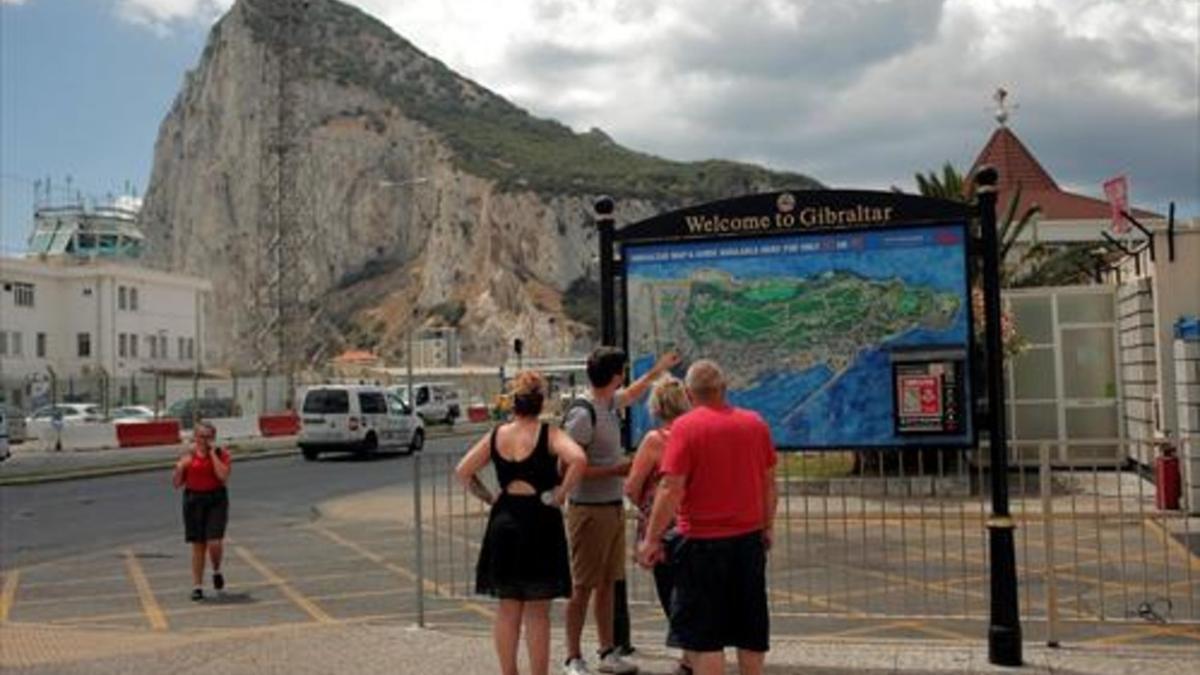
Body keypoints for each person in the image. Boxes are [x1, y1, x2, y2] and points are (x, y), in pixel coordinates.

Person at [637, 360, 778, 675]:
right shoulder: (755, 424)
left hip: (700, 542)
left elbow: (671, 488)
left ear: (688, 394)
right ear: (724, 389)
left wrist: (652, 538)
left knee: (705, 638)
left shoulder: (686, 428)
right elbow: (769, 483)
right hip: (748, 540)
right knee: (750, 629)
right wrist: (767, 526)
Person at [457, 371, 588, 675]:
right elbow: (579, 459)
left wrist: (490, 498)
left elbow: (463, 471)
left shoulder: (497, 435)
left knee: (507, 608)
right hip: (539, 519)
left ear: (513, 404)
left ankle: (508, 672)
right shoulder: (549, 434)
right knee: (537, 611)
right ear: (540, 404)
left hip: (504, 519)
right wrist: (560, 493)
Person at [562, 346, 680, 675]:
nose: (625, 378)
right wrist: (614, 471)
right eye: (622, 372)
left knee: (608, 583)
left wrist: (658, 369)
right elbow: (567, 466)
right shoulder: (584, 414)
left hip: (611, 507)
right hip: (588, 508)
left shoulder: (608, 403)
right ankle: (573, 656)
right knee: (583, 585)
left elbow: (632, 393)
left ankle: (606, 651)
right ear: (615, 375)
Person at [623, 376, 692, 675]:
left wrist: (644, 505)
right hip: (696, 523)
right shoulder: (695, 436)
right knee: (692, 590)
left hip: (662, 527)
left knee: (670, 591)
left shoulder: (655, 441)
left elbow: (632, 486)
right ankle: (694, 654)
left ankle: (689, 657)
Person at [172, 420, 232, 601]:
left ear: (213, 438)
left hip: (215, 499)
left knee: (214, 541)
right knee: (198, 545)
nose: (204, 440)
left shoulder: (222, 454)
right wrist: (180, 467)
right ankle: (197, 586)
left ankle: (216, 570)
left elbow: (223, 476)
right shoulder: (188, 456)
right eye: (201, 436)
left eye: (208, 437)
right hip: (194, 500)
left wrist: (212, 454)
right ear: (194, 437)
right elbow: (176, 484)